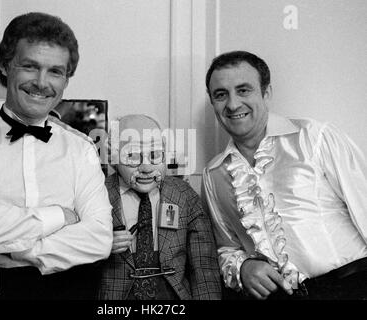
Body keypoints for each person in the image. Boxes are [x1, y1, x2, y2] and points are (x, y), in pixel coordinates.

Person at [0, 12, 113, 299]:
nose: (42, 82)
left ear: (66, 80)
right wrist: (60, 216)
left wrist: (7, 244)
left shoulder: (81, 148)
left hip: (69, 290)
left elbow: (98, 239)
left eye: (55, 71)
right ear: (5, 66)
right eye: (30, 66)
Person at [202, 50, 367, 300]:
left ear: (266, 93)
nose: (233, 104)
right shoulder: (212, 174)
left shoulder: (316, 137)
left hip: (352, 287)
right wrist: (243, 267)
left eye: (244, 90)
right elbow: (226, 247)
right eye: (221, 95)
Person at [98, 114, 221, 300]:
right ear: (112, 157)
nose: (146, 167)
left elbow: (204, 267)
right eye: (132, 156)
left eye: (155, 155)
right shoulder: (97, 195)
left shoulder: (183, 195)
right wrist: (99, 244)